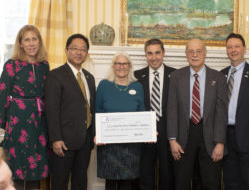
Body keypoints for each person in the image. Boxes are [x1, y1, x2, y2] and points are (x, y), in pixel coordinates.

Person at [167, 38, 228, 190]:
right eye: (191, 52)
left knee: (211, 182)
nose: (195, 55)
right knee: (181, 182)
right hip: (183, 136)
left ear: (205, 53)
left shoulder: (218, 78)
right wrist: (172, 140)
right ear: (186, 54)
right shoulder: (176, 77)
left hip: (210, 136)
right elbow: (172, 110)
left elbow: (221, 113)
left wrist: (220, 143)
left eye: (198, 51)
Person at [0, 25, 49, 189]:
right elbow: (3, 94)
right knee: (18, 167)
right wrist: (3, 123)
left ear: (39, 42)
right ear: (20, 43)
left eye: (34, 39)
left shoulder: (44, 65)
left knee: (36, 167)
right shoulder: (11, 65)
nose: (31, 43)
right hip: (18, 121)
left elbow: (47, 95)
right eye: (27, 40)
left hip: (39, 121)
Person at [45, 34, 96, 190]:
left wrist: (93, 134)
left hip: (85, 140)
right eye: (75, 48)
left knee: (80, 182)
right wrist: (56, 139)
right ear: (66, 50)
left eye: (83, 49)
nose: (79, 52)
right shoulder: (55, 75)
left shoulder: (89, 77)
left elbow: (90, 108)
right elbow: (51, 110)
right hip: (63, 142)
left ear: (87, 53)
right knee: (60, 183)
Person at [95, 51, 145, 190]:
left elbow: (142, 113)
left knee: (127, 183)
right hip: (108, 143)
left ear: (129, 66)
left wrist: (148, 131)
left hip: (131, 145)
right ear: (113, 66)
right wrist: (97, 134)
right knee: (110, 182)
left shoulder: (137, 86)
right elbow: (97, 111)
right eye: (118, 63)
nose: (121, 66)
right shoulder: (104, 85)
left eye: (124, 63)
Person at [221, 33, 249, 190]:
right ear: (226, 50)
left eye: (237, 46)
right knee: (230, 182)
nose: (233, 50)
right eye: (229, 47)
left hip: (248, 139)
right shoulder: (221, 74)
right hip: (225, 138)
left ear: (244, 49)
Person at [134, 38, 175, 190]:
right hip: (144, 132)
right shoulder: (137, 76)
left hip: (168, 131)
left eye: (157, 53)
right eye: (150, 53)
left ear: (163, 53)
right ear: (146, 55)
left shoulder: (175, 75)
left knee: (167, 173)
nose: (154, 57)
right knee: (145, 172)